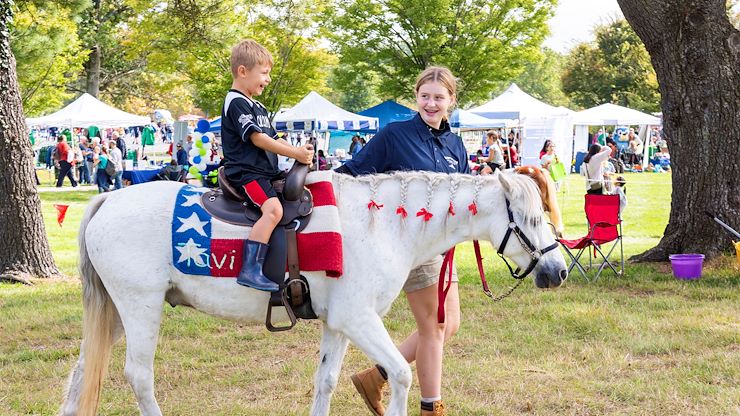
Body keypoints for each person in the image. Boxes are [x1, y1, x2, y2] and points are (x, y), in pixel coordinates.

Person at [336, 66, 469, 416]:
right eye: (425, 96)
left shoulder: (456, 144)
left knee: (448, 323)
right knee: (434, 326)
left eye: (439, 97)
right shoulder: (395, 135)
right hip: (407, 247)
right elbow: (350, 174)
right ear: (417, 97)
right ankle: (431, 408)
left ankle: (375, 376)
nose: (431, 103)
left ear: (451, 101)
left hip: (442, 246)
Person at [221, 39, 314, 292]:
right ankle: (250, 269)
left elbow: (273, 137)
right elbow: (258, 138)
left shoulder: (257, 105)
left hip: (267, 171)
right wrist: (293, 151)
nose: (268, 79)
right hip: (247, 173)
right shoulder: (236, 102)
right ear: (243, 71)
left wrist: (298, 151)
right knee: (273, 211)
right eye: (264, 73)